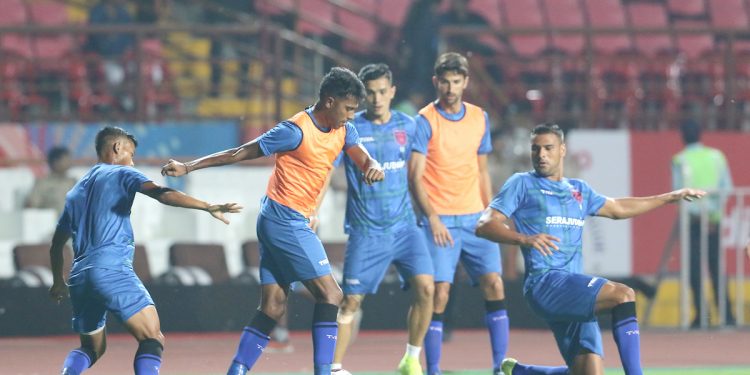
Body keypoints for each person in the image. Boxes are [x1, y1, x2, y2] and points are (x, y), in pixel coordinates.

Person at [160, 67, 385, 375]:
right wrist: (188, 168)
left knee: (273, 306)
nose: (350, 115)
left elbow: (362, 156)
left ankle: (237, 370)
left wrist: (373, 165)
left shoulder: (344, 129)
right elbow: (240, 152)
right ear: (329, 101)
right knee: (332, 294)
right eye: (348, 108)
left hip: (285, 220)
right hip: (284, 219)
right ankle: (325, 372)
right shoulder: (295, 130)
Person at [475, 123, 706, 375]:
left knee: (589, 373)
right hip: (545, 284)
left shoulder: (579, 190)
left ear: (562, 150)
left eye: (548, 148)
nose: (541, 154)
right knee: (623, 295)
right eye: (536, 149)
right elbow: (485, 225)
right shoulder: (521, 183)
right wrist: (524, 239)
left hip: (573, 286)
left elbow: (618, 208)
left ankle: (522, 372)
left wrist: (670, 197)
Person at [49, 126, 241, 375]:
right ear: (117, 148)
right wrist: (207, 206)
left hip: (79, 278)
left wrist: (57, 282)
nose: (133, 160)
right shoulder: (121, 172)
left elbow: (56, 245)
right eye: (131, 153)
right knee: (152, 338)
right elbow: (162, 194)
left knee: (92, 348)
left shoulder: (75, 192)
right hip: (111, 269)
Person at [329, 63, 435, 375]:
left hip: (405, 228)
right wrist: (314, 211)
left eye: (381, 92)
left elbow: (417, 175)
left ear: (392, 92)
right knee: (350, 302)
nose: (376, 99)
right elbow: (328, 173)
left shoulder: (410, 125)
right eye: (370, 93)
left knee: (427, 289)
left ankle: (411, 359)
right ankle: (332, 368)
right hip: (367, 232)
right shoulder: (349, 128)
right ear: (363, 96)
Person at [408, 52, 508, 375]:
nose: (450, 88)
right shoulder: (425, 120)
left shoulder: (480, 118)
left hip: (475, 219)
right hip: (441, 221)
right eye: (445, 82)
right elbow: (414, 176)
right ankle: (434, 369)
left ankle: (499, 366)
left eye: (456, 82)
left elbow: (482, 171)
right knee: (440, 292)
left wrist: (491, 211)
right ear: (436, 82)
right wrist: (432, 218)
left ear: (465, 82)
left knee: (495, 284)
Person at [672, 119, 736, 328]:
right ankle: (727, 316)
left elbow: (678, 191)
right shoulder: (717, 156)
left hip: (693, 221)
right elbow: (726, 188)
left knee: (694, 269)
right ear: (700, 133)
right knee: (717, 267)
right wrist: (712, 213)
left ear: (683, 136)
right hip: (714, 221)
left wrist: (699, 213)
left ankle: (702, 316)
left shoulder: (679, 160)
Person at [25, 146, 77, 215]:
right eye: (66, 160)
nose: (70, 163)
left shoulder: (73, 182)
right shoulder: (43, 183)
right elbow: (31, 206)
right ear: (55, 162)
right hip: (51, 222)